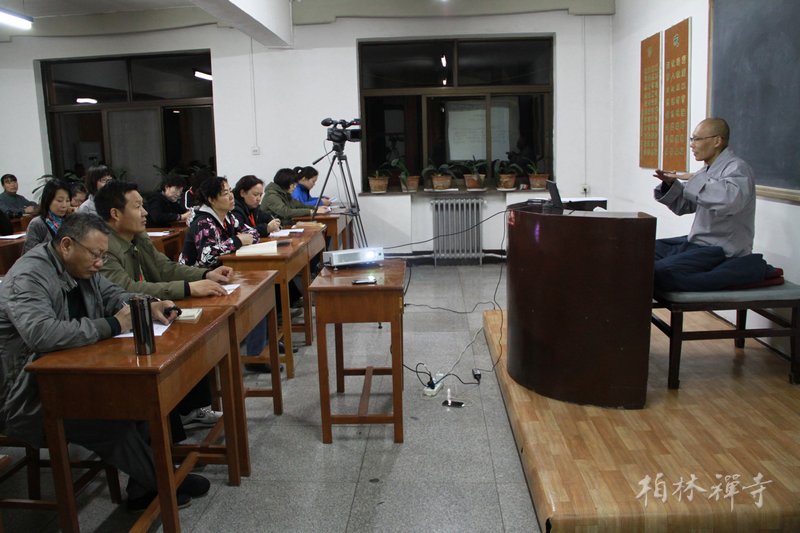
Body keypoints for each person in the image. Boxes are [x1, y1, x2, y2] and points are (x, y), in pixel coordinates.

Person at [0, 213, 210, 511]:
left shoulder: (81, 267)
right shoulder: (29, 277)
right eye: (95, 255)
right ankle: (163, 482)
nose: (100, 263)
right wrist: (113, 324)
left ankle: (144, 487)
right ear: (67, 245)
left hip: (72, 374)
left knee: (141, 399)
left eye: (103, 256)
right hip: (26, 394)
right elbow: (42, 334)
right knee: (110, 420)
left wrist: (150, 305)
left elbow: (114, 295)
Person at [95, 181, 233, 435]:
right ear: (115, 213)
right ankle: (172, 422)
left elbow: (164, 268)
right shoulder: (103, 246)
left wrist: (205, 274)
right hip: (122, 324)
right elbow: (128, 289)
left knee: (197, 331)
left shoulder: (137, 236)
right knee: (181, 339)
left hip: (149, 311)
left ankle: (189, 408)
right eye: (138, 207)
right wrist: (189, 288)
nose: (145, 212)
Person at [652, 117, 768, 291]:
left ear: (717, 141)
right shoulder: (707, 170)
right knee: (640, 253)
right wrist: (670, 184)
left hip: (721, 250)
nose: (692, 145)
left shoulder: (738, 168)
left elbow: (730, 202)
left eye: (697, 139)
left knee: (661, 272)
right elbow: (686, 206)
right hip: (697, 244)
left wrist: (694, 179)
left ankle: (745, 271)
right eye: (692, 139)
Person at [261, 168, 328, 226]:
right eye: (293, 185)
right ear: (287, 183)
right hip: (273, 230)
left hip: (284, 225)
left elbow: (299, 205)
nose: (295, 187)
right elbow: (286, 212)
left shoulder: (284, 193)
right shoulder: (271, 196)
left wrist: (315, 208)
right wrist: (310, 211)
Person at [23, 179, 71, 254]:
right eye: (59, 201)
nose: (64, 205)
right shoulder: (37, 224)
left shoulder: (70, 221)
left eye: (67, 201)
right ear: (48, 200)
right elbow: (30, 253)